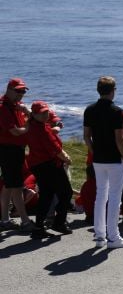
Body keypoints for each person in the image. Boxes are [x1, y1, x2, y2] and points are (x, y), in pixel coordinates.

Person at [83, 76, 123, 249]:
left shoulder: (89, 110)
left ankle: (100, 236)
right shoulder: (116, 111)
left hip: (98, 159)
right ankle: (114, 237)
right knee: (114, 197)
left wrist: (94, 151)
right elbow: (120, 139)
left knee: (100, 196)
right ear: (112, 90)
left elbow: (86, 136)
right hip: (114, 159)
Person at [26, 101, 73, 237]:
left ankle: (39, 227)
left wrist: (56, 126)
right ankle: (58, 222)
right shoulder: (42, 129)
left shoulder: (32, 125)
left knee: (46, 195)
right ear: (34, 114)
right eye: (42, 113)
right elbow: (55, 149)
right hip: (49, 165)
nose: (45, 115)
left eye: (46, 112)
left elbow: (50, 133)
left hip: (38, 164)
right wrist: (66, 158)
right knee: (66, 193)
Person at [0, 78, 36, 232]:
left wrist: (27, 114)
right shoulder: (3, 107)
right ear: (9, 89)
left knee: (9, 186)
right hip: (8, 150)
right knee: (16, 186)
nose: (21, 94)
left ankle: (5, 219)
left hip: (15, 149)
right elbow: (15, 131)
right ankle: (25, 221)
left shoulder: (14, 106)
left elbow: (21, 127)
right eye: (18, 91)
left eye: (23, 92)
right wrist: (28, 126)